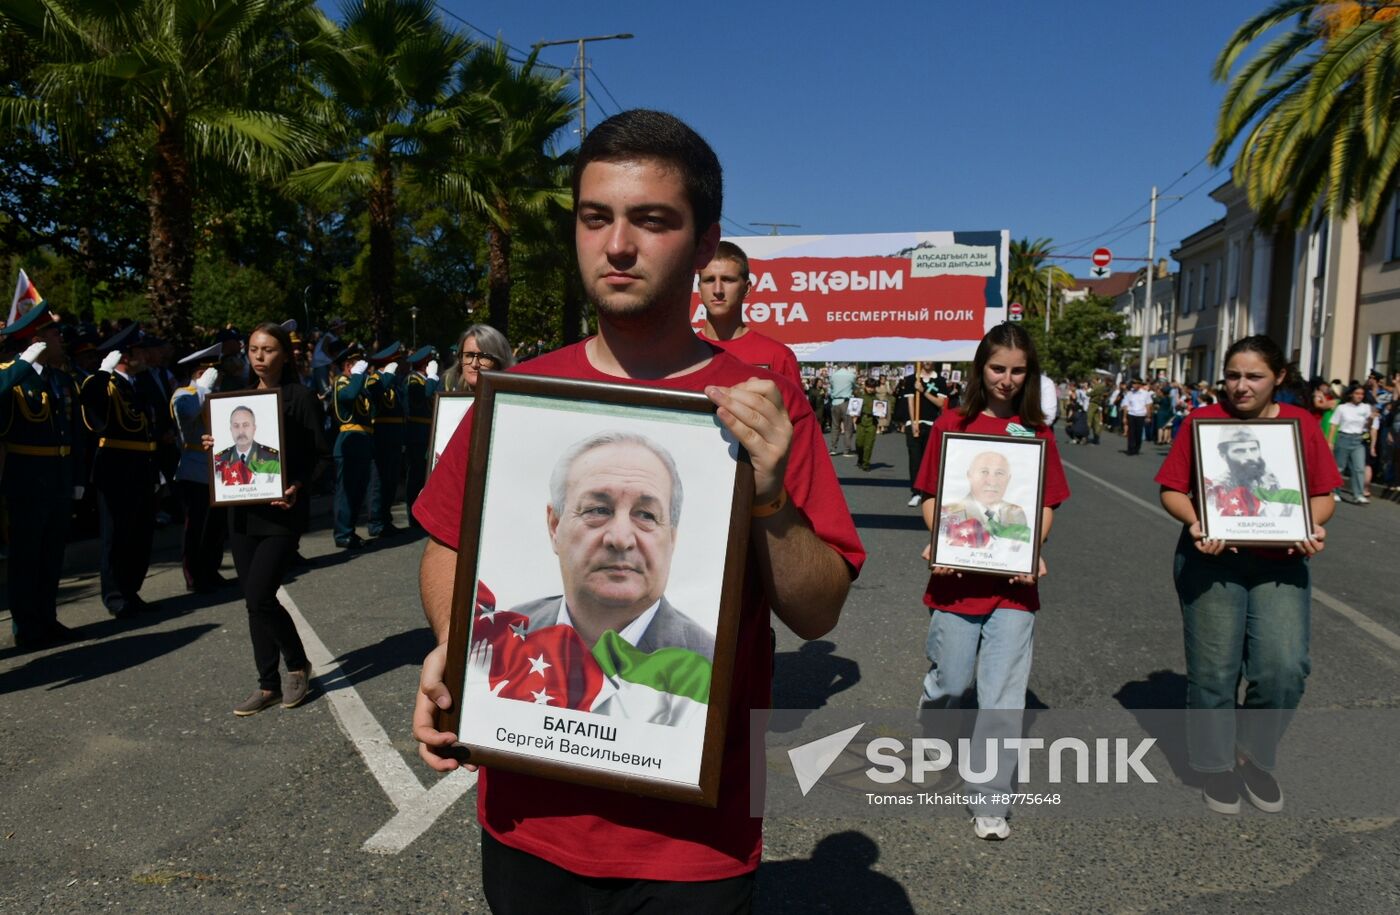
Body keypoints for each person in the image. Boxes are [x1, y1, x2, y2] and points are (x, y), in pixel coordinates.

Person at [411, 108, 864, 910]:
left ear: (703, 237)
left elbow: (819, 609)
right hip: (527, 824)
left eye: (652, 220)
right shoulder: (520, 397)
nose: (618, 244)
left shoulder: (760, 401)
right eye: (597, 218)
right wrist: (456, 646)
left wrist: (770, 501)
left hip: (694, 845)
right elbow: (449, 545)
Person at [1156, 335, 1338, 815]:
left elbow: (1323, 495)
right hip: (1212, 558)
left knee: (1284, 667)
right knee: (1215, 671)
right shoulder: (1201, 422)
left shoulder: (1302, 425)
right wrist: (1195, 520)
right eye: (1233, 375)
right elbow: (1172, 489)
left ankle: (1252, 756)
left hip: (1280, 562)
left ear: (1278, 377)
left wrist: (1311, 525)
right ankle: (1216, 767)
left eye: (1253, 376)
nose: (1241, 386)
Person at [914, 323, 1068, 842]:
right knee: (952, 684)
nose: (1006, 379)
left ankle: (990, 799)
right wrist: (941, 539)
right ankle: (935, 737)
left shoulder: (1039, 433)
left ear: (1030, 374)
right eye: (998, 367)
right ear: (982, 367)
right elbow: (932, 497)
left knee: (1002, 694)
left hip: (1014, 589)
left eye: (1018, 370)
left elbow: (1044, 504)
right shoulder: (951, 424)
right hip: (957, 586)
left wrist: (1033, 550)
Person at [203, 322, 329, 716]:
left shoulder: (301, 397)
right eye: (254, 349)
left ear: (285, 355)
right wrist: (213, 444)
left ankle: (296, 664)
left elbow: (323, 457)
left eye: (269, 350)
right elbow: (228, 457)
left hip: (280, 515)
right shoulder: (233, 399)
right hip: (241, 513)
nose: (260, 357)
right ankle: (266, 684)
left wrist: (297, 485)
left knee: (260, 593)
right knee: (253, 602)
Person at [0, 301, 84, 648]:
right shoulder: (11, 376)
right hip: (27, 479)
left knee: (51, 555)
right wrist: (20, 366)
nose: (59, 338)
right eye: (53, 332)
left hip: (58, 477)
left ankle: (47, 619)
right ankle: (27, 627)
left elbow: (72, 431)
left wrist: (76, 476)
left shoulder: (58, 378)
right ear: (34, 339)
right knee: (26, 557)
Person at [79, 325, 164, 618]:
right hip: (116, 469)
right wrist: (104, 372)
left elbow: (157, 414)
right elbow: (91, 403)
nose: (145, 355)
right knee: (116, 536)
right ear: (126, 355)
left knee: (140, 534)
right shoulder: (106, 383)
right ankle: (115, 596)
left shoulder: (138, 382)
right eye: (139, 350)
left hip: (142, 467)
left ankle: (131, 589)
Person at [171, 339, 236, 592]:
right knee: (195, 526)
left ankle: (211, 569)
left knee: (216, 525)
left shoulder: (214, 393)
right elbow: (186, 414)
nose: (216, 376)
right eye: (210, 371)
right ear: (200, 373)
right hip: (195, 467)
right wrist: (203, 388)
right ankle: (193, 575)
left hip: (219, 467)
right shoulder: (184, 394)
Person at [696, 241, 802, 387]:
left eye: (728, 280)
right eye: (709, 280)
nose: (718, 290)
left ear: (746, 289)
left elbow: (794, 410)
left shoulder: (778, 357)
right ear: (699, 290)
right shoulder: (681, 357)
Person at [329, 344, 380, 549]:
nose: (364, 369)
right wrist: (357, 376)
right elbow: (347, 397)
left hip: (363, 443)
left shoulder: (358, 385)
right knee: (346, 491)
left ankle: (349, 530)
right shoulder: (342, 383)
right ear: (348, 366)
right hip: (349, 443)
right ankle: (342, 533)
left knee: (358, 490)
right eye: (357, 364)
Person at [367, 342, 405, 538]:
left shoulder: (395, 383)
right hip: (380, 435)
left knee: (391, 480)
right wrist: (386, 376)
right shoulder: (375, 380)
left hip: (395, 436)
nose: (397, 367)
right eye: (394, 363)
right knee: (378, 480)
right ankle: (375, 521)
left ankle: (386, 518)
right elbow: (374, 394)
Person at [403, 345, 439, 524]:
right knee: (416, 476)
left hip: (427, 432)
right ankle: (413, 515)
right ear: (424, 364)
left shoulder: (425, 379)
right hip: (416, 432)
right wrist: (431, 378)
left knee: (425, 476)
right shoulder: (413, 380)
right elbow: (423, 395)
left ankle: (422, 514)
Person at [1330, 384, 1374, 504]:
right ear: (1351, 394)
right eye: (1357, 393)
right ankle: (1335, 491)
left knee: (1359, 468)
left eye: (1362, 394)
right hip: (1344, 437)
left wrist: (1370, 420)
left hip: (1358, 439)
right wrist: (1330, 441)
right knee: (1339, 467)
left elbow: (1368, 426)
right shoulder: (1342, 408)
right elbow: (1334, 424)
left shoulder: (1366, 407)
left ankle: (1358, 495)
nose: (1360, 396)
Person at [440, 324, 515, 393]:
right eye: (469, 355)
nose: (474, 364)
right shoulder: (449, 400)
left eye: (483, 356)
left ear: (500, 362)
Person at [828, 362, 857, 455]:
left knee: (835, 427)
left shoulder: (833, 376)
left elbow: (831, 388)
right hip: (846, 402)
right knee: (848, 427)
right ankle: (846, 449)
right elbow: (854, 387)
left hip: (835, 402)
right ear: (847, 366)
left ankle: (833, 448)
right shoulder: (851, 375)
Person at [1121, 377, 1152, 455]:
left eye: (1135, 383)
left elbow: (1148, 405)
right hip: (1131, 414)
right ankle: (1130, 449)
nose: (1133, 385)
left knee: (1138, 433)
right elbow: (1126, 405)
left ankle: (1137, 448)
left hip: (1141, 415)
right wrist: (1124, 417)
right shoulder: (1129, 393)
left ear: (1139, 384)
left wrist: (1148, 416)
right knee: (1131, 432)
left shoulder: (1145, 393)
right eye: (1133, 383)